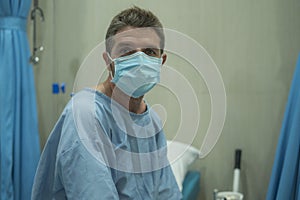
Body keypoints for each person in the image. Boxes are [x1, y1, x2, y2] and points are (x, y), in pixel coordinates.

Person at [32, 6, 182, 200]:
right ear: (108, 60)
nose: (139, 61)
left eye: (149, 52)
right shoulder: (86, 114)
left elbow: (166, 194)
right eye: (126, 51)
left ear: (161, 62)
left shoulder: (151, 121)